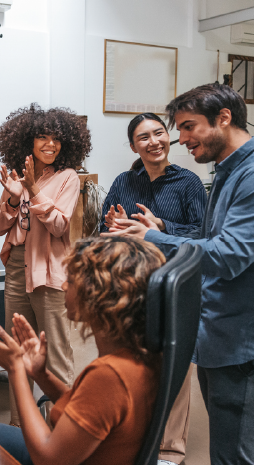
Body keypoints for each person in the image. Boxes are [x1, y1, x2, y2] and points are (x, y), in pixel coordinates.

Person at [105, 83, 254, 464]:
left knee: (235, 452)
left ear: (223, 118)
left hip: (240, 340)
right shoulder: (224, 171)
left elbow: (229, 254)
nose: (180, 138)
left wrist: (153, 234)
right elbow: (208, 237)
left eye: (188, 126)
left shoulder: (248, 175)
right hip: (216, 332)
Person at [0, 236, 165, 465]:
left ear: (100, 296)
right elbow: (88, 409)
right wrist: (40, 374)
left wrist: (16, 369)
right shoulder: (136, 357)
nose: (64, 286)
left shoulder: (110, 375)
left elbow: (47, 458)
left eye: (71, 281)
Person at [100, 112, 207, 465]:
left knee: (176, 366)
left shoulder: (189, 183)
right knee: (138, 364)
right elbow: (104, 225)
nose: (154, 142)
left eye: (159, 133)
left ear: (168, 138)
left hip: (176, 286)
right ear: (134, 146)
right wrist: (113, 224)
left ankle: (169, 451)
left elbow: (203, 235)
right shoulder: (123, 182)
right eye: (144, 137)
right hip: (131, 286)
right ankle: (136, 438)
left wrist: (161, 225)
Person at [0, 104, 92, 426]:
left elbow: (59, 226)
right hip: (17, 267)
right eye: (42, 138)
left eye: (56, 139)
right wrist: (11, 197)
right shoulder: (18, 172)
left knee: (55, 356)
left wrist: (33, 190)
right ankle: (18, 429)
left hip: (49, 271)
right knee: (18, 352)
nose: (50, 144)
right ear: (28, 141)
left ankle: (60, 432)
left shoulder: (68, 177)